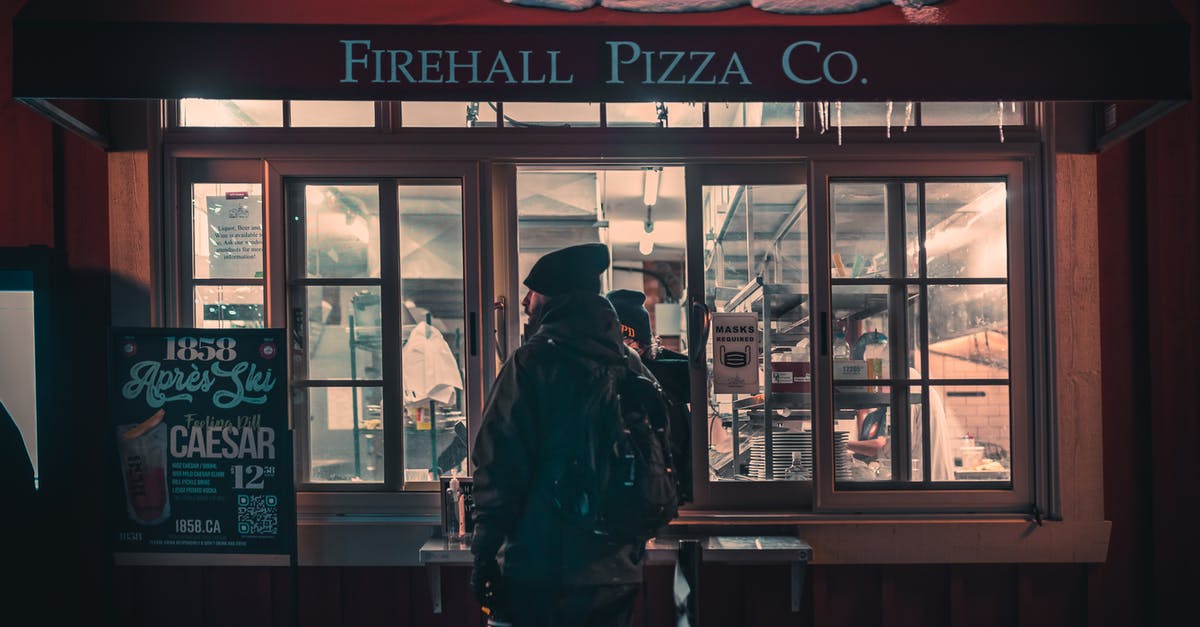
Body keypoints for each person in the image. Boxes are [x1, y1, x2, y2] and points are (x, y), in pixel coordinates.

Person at [471, 243, 660, 627]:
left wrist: (483, 553)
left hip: (541, 573)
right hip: (616, 574)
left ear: (556, 297)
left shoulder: (532, 362)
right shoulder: (632, 365)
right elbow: (664, 453)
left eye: (533, 292)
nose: (525, 302)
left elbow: (500, 466)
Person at [605, 288, 696, 626]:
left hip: (668, 517)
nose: (629, 355)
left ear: (645, 345)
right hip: (632, 522)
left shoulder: (664, 385)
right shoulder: (601, 382)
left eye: (635, 347)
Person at [605, 288, 692, 504]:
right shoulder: (671, 382)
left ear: (637, 346)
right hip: (669, 498)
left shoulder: (639, 386)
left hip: (649, 502)